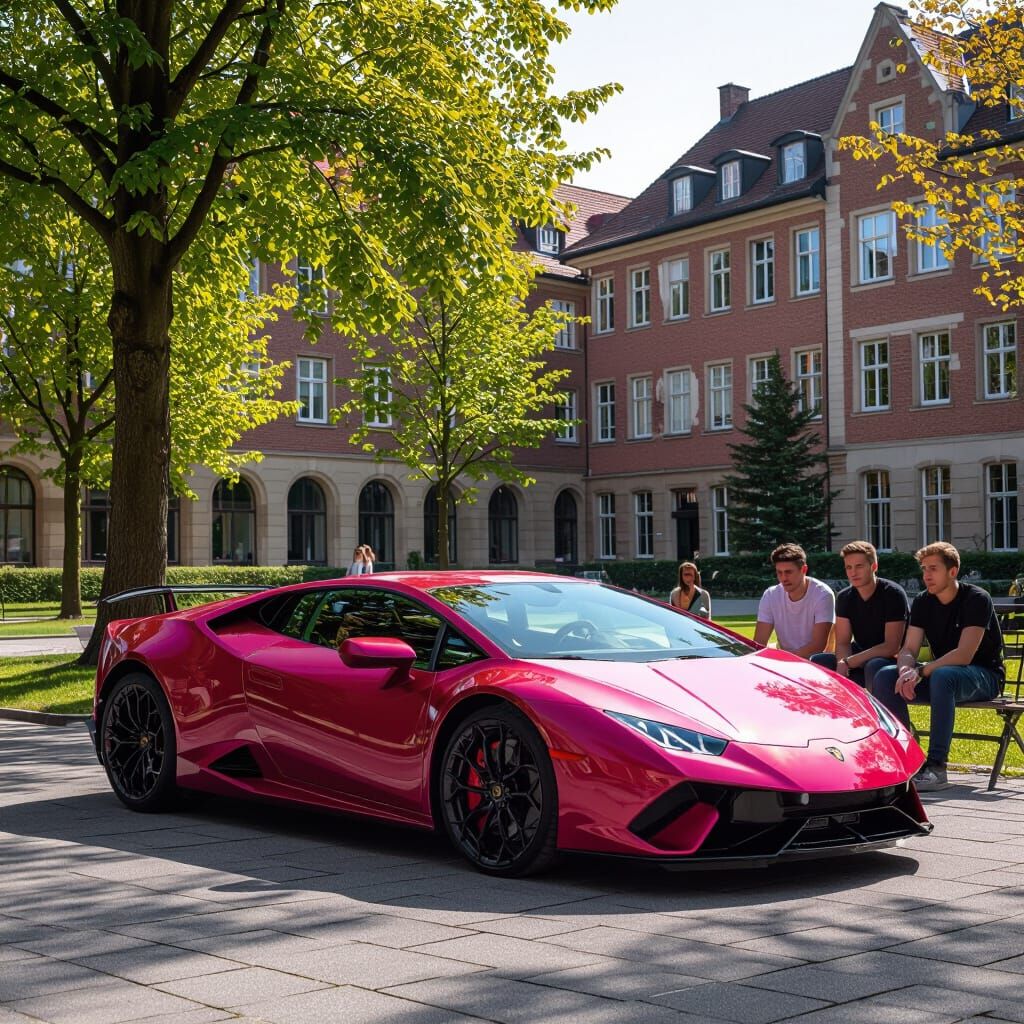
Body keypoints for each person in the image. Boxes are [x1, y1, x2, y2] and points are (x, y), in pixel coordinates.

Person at [872, 542, 1004, 791]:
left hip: (985, 676)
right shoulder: (923, 601)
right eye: (923, 569)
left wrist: (921, 671)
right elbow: (909, 649)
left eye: (933, 569)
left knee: (944, 675)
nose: (927, 576)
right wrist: (905, 671)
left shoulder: (976, 598)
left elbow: (964, 655)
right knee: (884, 676)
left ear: (952, 571)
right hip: (943, 673)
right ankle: (906, 759)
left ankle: (936, 767)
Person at [810, 540, 908, 688]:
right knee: (818, 661)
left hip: (890, 659)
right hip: (859, 653)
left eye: (859, 566)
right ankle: (831, 709)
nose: (853, 573)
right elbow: (842, 642)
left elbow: (891, 647)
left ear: (874, 566)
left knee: (873, 664)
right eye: (848, 567)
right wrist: (842, 664)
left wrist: (850, 662)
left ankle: (873, 710)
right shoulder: (844, 597)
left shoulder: (893, 594)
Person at [754, 543, 836, 658]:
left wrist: (783, 659)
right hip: (784, 661)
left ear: (804, 569)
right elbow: (759, 643)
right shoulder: (770, 595)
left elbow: (818, 646)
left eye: (788, 572)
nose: (783, 578)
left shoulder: (822, 594)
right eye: (779, 572)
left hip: (817, 662)